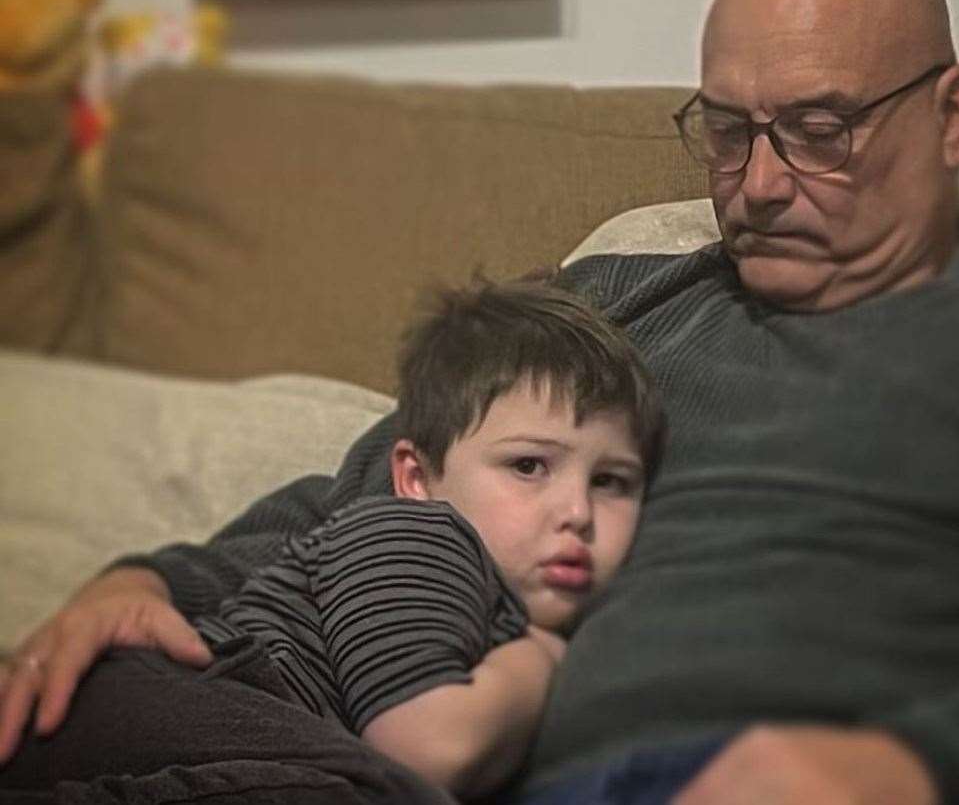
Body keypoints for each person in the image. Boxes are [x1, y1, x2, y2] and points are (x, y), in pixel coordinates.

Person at [3, 0, 959, 805]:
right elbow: (376, 490)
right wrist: (148, 582)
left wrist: (923, 766)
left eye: (820, 131)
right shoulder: (626, 303)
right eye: (727, 133)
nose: (760, 186)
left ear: (953, 115)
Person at [0, 280, 664, 802]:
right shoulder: (420, 536)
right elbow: (433, 747)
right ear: (414, 477)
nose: (577, 511)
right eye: (528, 466)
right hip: (176, 703)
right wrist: (542, 658)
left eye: (611, 481)